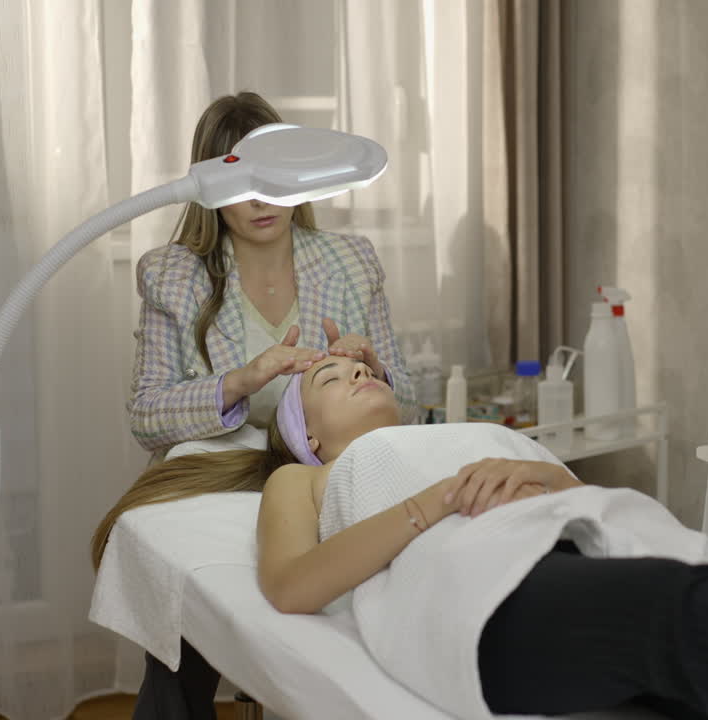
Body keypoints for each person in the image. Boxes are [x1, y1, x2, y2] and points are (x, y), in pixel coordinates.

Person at [97, 355, 708, 720]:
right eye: (330, 375)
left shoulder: (464, 432)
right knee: (695, 622)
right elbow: (296, 587)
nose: (351, 364)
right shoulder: (313, 476)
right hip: (491, 592)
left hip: (582, 543)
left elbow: (568, 502)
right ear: (303, 431)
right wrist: (437, 504)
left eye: (360, 361)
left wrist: (540, 470)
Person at [124, 91, 415, 719]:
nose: (262, 201)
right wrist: (238, 381)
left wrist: (376, 370)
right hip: (219, 478)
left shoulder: (350, 262)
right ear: (210, 185)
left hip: (322, 479)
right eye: (242, 184)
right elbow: (146, 414)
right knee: (184, 646)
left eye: (275, 181)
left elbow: (408, 402)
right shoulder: (173, 275)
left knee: (326, 646)